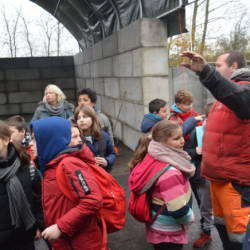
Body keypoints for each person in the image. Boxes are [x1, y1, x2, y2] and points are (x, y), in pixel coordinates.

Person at [181, 51, 250, 250]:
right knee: (223, 228)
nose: (215, 69)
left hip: (236, 183)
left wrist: (206, 72)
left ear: (234, 66)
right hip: (219, 179)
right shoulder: (227, 94)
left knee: (240, 237)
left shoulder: (243, 92)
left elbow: (241, 102)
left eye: (218, 65)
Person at [30, 116, 103, 250]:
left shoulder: (68, 164)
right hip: (65, 242)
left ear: (50, 140)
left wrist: (60, 227)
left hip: (79, 243)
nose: (31, 143)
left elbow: (93, 200)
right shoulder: (50, 166)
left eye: (35, 139)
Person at [129, 120, 195, 250]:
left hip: (158, 224)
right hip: (169, 230)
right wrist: (190, 217)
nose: (183, 141)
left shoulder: (153, 155)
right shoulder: (170, 174)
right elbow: (178, 210)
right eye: (176, 138)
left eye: (182, 136)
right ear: (162, 142)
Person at [0, 121, 43, 250]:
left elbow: (40, 200)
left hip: (25, 239)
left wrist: (39, 225)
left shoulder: (26, 167)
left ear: (6, 140)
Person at [184, 102, 214, 248]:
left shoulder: (229, 130)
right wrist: (196, 151)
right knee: (205, 206)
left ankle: (230, 233)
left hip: (224, 177)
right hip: (202, 177)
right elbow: (186, 152)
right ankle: (206, 233)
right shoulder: (198, 131)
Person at [74, 104, 116, 172]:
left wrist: (107, 161)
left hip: (102, 173)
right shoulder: (75, 139)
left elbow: (112, 154)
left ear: (93, 118)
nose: (81, 120)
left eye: (85, 117)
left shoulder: (104, 135)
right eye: (78, 118)